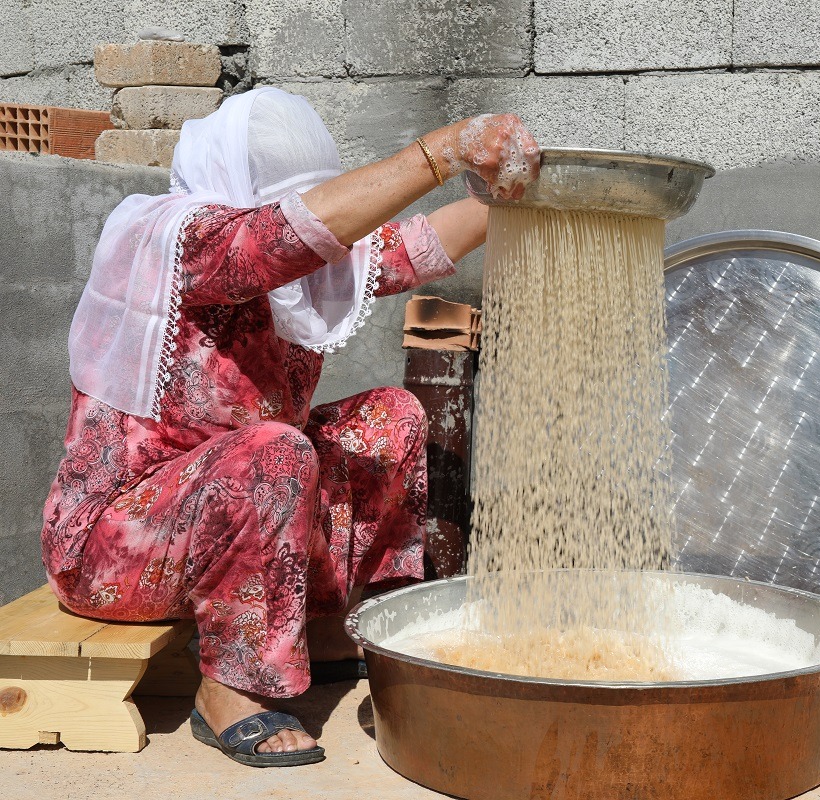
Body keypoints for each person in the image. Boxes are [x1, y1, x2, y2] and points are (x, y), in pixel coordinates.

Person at [40, 87, 540, 767]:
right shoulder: (181, 238)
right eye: (281, 194)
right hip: (115, 544)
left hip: (238, 504)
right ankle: (230, 688)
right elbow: (274, 239)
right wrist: (445, 150)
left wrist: (515, 197)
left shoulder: (294, 264)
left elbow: (404, 249)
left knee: (387, 418)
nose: (298, 210)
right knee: (273, 451)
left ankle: (332, 630)